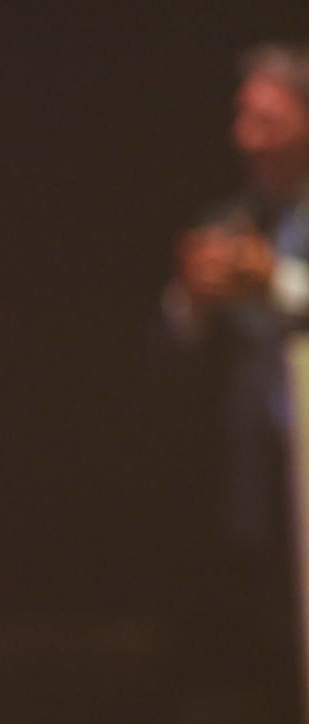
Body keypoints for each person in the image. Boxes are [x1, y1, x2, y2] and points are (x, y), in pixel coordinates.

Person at [156, 42, 309, 687]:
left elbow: (283, 290)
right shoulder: (227, 222)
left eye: (267, 121)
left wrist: (276, 282)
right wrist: (189, 301)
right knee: (272, 646)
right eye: (242, 119)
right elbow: (163, 359)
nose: (247, 138)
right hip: (257, 478)